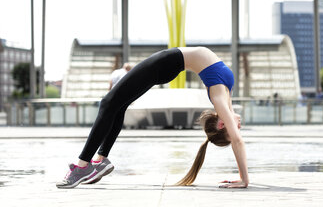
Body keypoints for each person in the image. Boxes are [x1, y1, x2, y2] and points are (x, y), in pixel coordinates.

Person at [56, 47, 249, 189]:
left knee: (108, 104)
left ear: (222, 124)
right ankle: (99, 161)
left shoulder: (220, 99)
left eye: (233, 129)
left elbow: (238, 142)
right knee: (117, 106)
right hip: (167, 64)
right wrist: (242, 176)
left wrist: (244, 180)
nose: (237, 127)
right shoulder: (226, 99)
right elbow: (235, 136)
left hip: (164, 64)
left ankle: (83, 165)